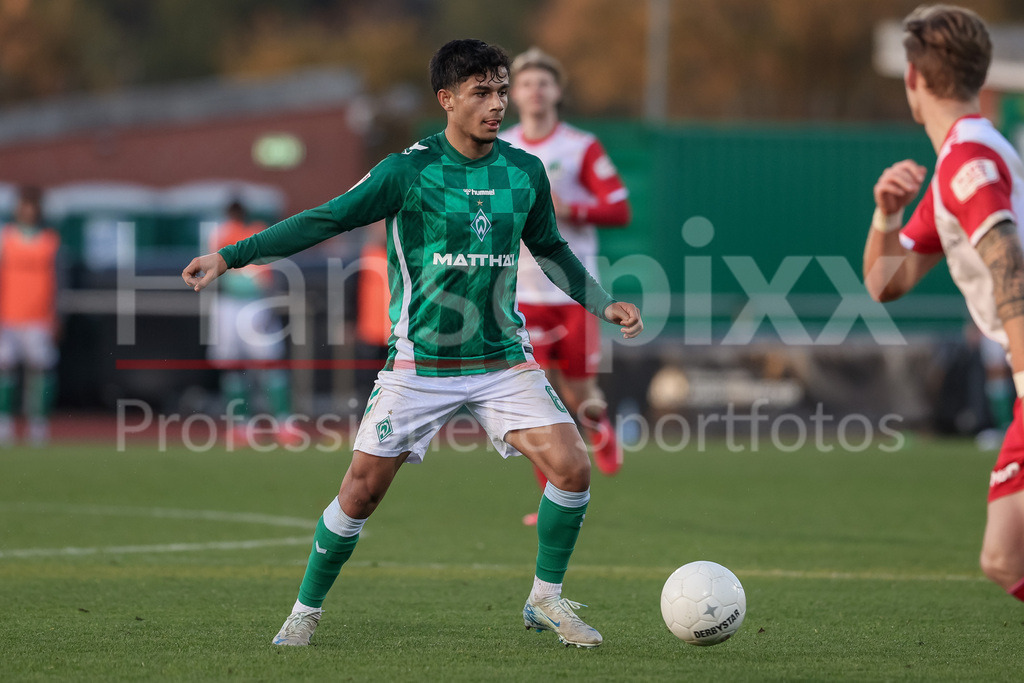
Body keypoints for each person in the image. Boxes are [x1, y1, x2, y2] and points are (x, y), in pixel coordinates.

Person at [182, 39, 643, 648]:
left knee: (573, 466)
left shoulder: (523, 171)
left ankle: (546, 600)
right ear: (446, 99)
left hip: (503, 359)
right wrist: (229, 255)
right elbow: (325, 218)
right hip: (420, 364)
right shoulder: (408, 171)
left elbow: (552, 248)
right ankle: (304, 611)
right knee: (361, 492)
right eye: (482, 92)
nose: (497, 104)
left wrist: (599, 301)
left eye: (501, 90)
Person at [863, 5, 1024, 601]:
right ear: (980, 78)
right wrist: (886, 213)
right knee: (1005, 557)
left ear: (914, 79)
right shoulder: (965, 155)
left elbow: (1007, 257)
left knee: (1005, 556)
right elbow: (886, 283)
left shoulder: (967, 161)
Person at [501, 48, 632, 525]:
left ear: (557, 92)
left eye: (543, 83)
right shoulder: (501, 146)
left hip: (572, 292)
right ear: (512, 94)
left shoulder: (581, 146)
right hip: (520, 296)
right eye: (526, 83)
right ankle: (552, 494)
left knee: (579, 394)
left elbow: (619, 210)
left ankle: (599, 429)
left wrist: (568, 210)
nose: (535, 91)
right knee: (538, 398)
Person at [207, 200, 298, 447]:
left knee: (266, 363)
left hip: (252, 303)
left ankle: (280, 423)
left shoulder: (250, 231)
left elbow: (265, 274)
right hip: (234, 303)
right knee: (234, 365)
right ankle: (246, 425)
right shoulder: (225, 233)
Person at [0, 186, 60, 446]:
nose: (27, 210)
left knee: (40, 369)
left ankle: (38, 424)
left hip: (38, 317)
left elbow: (59, 281)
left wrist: (56, 315)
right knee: (5, 368)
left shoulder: (49, 241)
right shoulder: (6, 238)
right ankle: (5, 423)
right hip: (8, 315)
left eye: (32, 205)